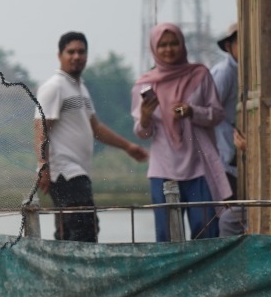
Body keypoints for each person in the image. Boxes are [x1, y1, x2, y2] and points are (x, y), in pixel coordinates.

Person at [33, 31, 149, 241]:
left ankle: (66, 271)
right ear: (60, 55)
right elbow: (41, 127)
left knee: (72, 230)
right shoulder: (54, 87)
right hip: (64, 172)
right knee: (83, 228)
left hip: (78, 171)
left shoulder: (80, 88)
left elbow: (95, 127)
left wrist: (128, 147)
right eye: (71, 52)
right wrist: (43, 165)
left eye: (81, 52)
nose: (76, 56)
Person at [133, 23, 232, 241]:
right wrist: (146, 116)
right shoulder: (145, 84)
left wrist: (191, 111)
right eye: (163, 45)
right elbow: (142, 133)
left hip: (199, 167)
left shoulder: (200, 75)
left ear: (182, 45)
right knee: (167, 235)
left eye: (174, 43)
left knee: (206, 231)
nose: (169, 50)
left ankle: (205, 275)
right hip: (163, 169)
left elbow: (216, 114)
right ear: (154, 49)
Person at [209, 21, 246, 236]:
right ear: (229, 47)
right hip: (225, 154)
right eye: (239, 42)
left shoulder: (246, 71)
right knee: (227, 214)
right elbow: (210, 113)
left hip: (236, 155)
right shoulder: (224, 73)